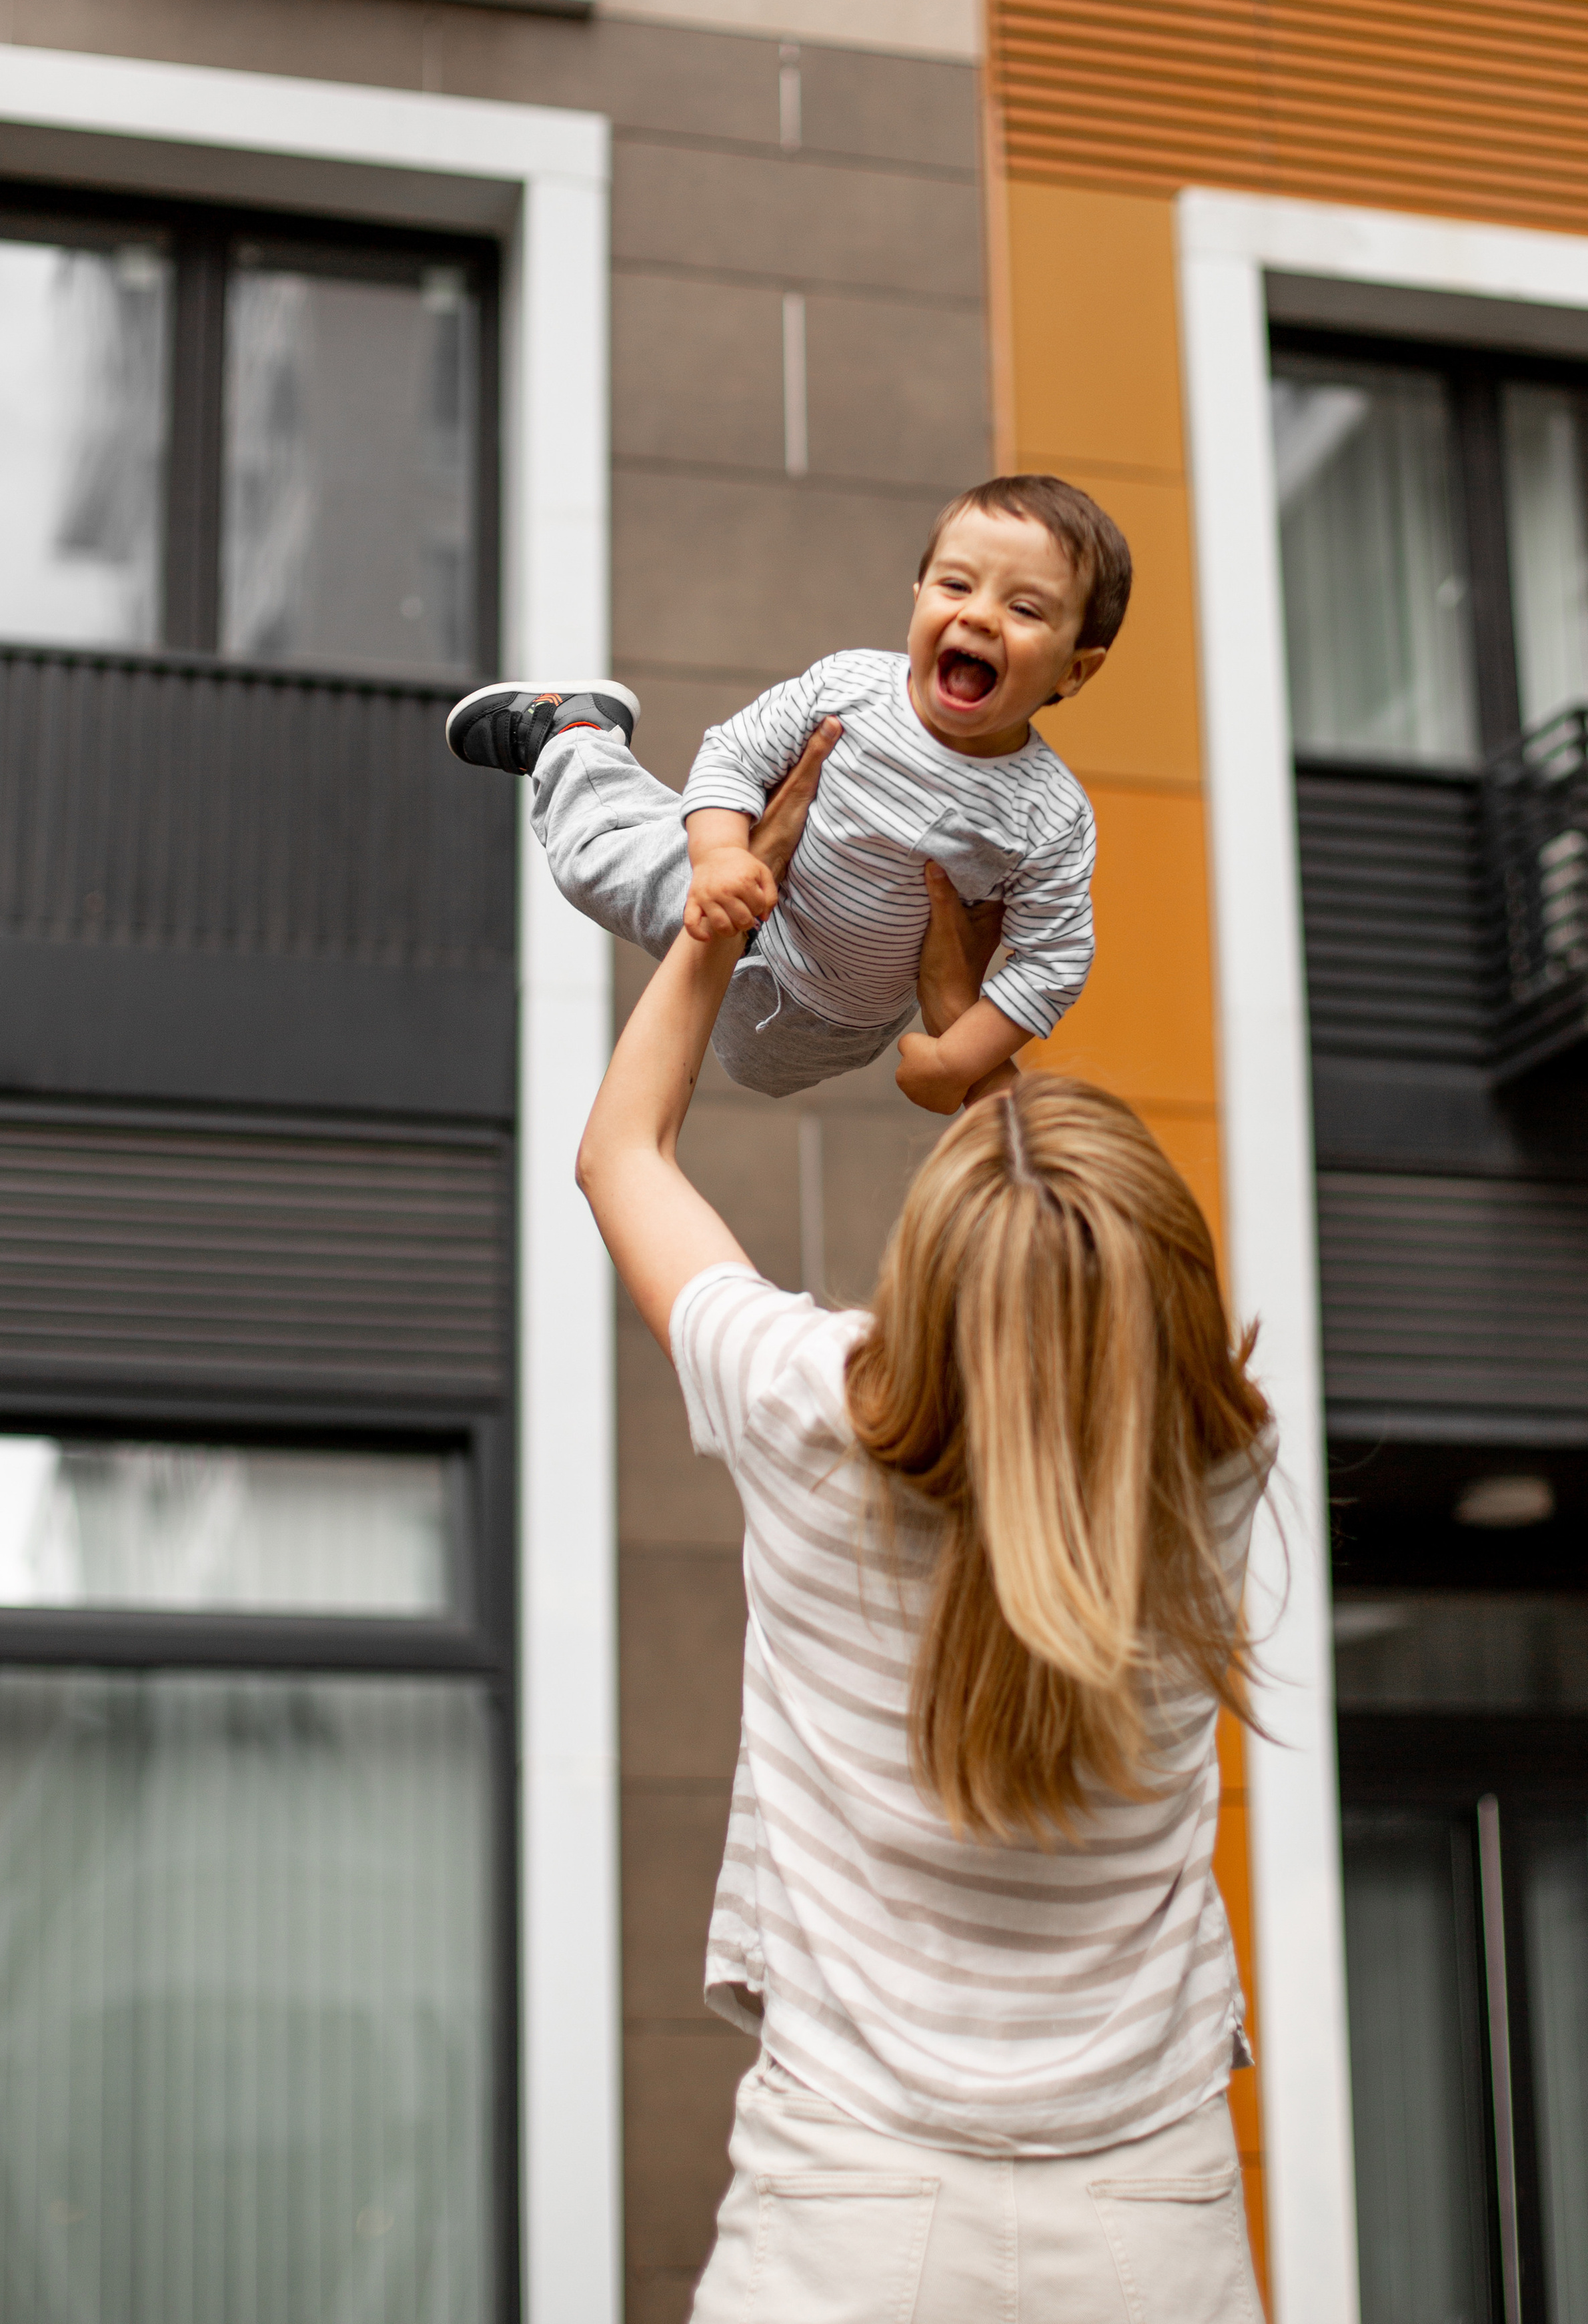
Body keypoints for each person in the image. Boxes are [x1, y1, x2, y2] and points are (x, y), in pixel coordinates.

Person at [574, 732, 1277, 2324]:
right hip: (1149, 2208)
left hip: (848, 2203)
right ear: (1167, 1289)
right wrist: (978, 1046)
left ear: (932, 1271)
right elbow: (1067, 1303)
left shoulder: (807, 1409)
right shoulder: (1214, 1470)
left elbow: (620, 1154)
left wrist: (718, 909)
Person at [446, 473, 1130, 1111]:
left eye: (1023, 608)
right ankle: (573, 735)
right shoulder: (851, 687)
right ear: (918, 595)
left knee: (759, 1072)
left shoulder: (1048, 813)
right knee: (591, 862)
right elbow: (733, 752)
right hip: (738, 890)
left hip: (836, 1019)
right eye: (957, 586)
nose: (979, 617)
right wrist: (718, 856)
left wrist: (958, 1058)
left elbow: (1055, 957)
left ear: (1075, 670)